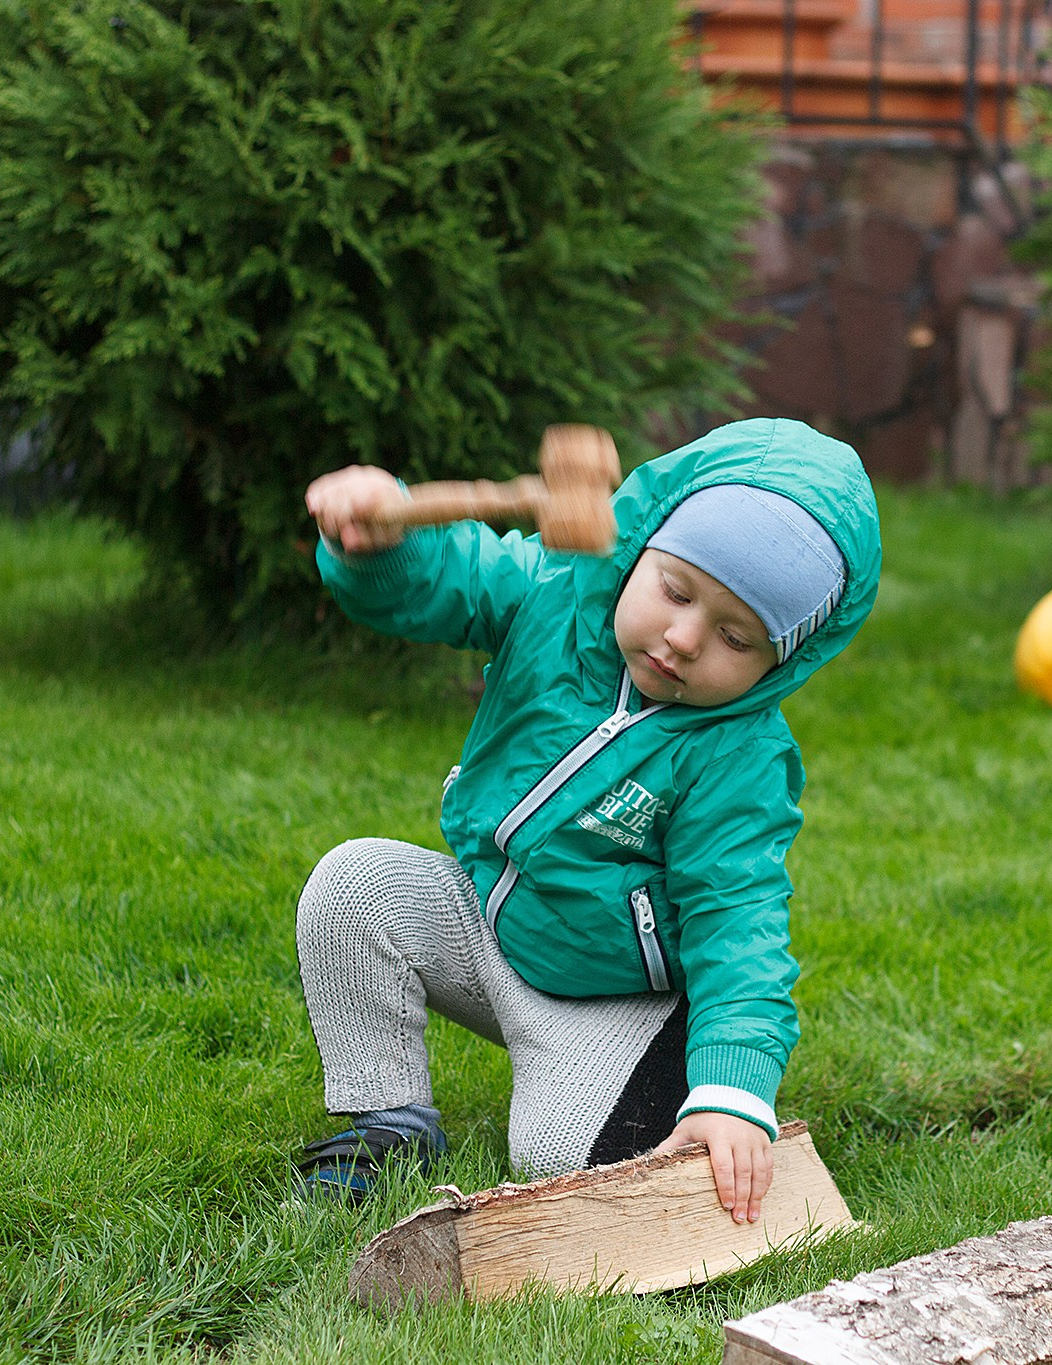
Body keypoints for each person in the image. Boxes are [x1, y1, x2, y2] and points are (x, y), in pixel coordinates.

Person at [294, 417, 880, 1223]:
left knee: (560, 1159)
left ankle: (674, 1065)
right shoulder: (555, 593)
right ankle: (389, 1123)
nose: (681, 637)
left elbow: (738, 921)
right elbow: (452, 577)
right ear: (642, 547)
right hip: (488, 924)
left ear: (783, 660)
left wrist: (736, 1086)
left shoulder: (737, 755)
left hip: (611, 998)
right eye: (676, 590)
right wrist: (380, 545)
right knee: (354, 884)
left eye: (734, 636)